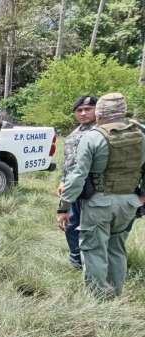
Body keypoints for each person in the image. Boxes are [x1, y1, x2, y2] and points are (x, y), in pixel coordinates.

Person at [56, 93, 145, 297]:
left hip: (99, 203)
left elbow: (78, 176)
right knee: (117, 249)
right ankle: (115, 293)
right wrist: (142, 197)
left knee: (94, 250)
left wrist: (63, 207)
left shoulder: (94, 137)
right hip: (129, 202)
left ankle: (98, 299)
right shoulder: (140, 134)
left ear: (100, 112)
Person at [56, 95, 98, 269]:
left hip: (96, 190)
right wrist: (62, 181)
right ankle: (76, 260)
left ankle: (94, 264)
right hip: (74, 189)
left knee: (93, 229)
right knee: (72, 223)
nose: (83, 113)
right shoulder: (74, 134)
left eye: (88, 109)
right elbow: (68, 162)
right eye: (79, 110)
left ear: (97, 110)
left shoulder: (101, 132)